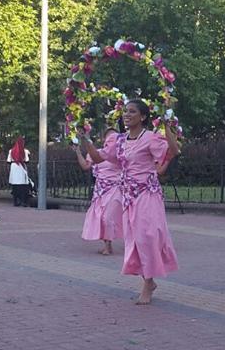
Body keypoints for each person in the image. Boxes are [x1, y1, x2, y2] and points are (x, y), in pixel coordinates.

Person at [81, 99, 180, 305]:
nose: (127, 115)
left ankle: (147, 285)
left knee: (147, 236)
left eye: (132, 112)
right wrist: (86, 139)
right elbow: (98, 158)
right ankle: (148, 281)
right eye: (125, 111)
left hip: (148, 194)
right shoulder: (120, 141)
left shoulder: (151, 138)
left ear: (142, 117)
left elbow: (172, 151)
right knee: (134, 239)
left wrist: (168, 128)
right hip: (129, 196)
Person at [74, 129, 123, 255]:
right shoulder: (97, 153)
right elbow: (86, 166)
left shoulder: (120, 154)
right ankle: (107, 244)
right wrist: (78, 151)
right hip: (100, 190)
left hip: (116, 188)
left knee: (108, 217)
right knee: (100, 217)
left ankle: (111, 243)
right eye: (108, 137)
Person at [7, 136, 31, 207]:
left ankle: (15, 201)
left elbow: (8, 161)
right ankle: (23, 201)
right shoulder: (25, 151)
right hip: (21, 167)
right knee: (23, 185)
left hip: (14, 167)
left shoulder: (11, 151)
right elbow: (27, 161)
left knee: (15, 185)